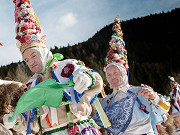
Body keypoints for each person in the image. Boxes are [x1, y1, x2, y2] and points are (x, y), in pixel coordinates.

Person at [2, 0, 103, 134]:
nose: (30, 62)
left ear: (44, 51)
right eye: (26, 60)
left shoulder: (67, 67)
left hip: (79, 129)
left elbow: (96, 80)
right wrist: (16, 121)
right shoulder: (31, 86)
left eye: (33, 55)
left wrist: (88, 79)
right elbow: (32, 125)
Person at [92, 16, 171, 135]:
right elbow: (98, 124)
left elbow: (165, 108)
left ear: (124, 73)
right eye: (108, 74)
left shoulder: (140, 92)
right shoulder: (106, 101)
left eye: (115, 72)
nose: (112, 77)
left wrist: (154, 97)